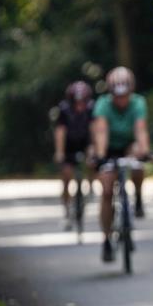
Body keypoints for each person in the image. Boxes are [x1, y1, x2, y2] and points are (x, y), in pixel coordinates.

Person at [92, 66, 150, 262]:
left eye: (124, 96)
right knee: (107, 190)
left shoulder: (138, 103)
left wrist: (144, 151)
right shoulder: (103, 104)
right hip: (108, 147)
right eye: (117, 96)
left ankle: (139, 197)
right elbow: (101, 131)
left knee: (137, 162)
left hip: (128, 145)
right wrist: (100, 156)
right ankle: (107, 239)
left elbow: (140, 129)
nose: (121, 100)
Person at [54, 81, 95, 229]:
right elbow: (60, 132)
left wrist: (93, 148)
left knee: (93, 161)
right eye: (77, 102)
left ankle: (91, 186)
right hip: (69, 145)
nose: (80, 105)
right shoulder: (64, 110)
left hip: (85, 142)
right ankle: (66, 211)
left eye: (83, 102)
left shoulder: (91, 108)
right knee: (66, 175)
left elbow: (94, 129)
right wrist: (59, 152)